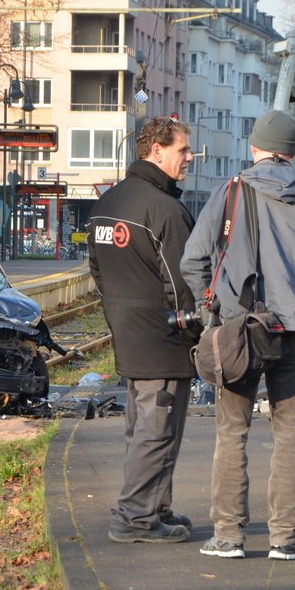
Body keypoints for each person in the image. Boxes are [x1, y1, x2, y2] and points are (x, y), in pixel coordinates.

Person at [180, 109, 295, 560]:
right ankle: (286, 539)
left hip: (239, 331)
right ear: (294, 152)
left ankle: (229, 536)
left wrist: (209, 308)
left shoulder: (231, 192)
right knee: (289, 433)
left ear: (254, 148)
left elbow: (193, 259)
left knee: (232, 432)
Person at [87, 115, 199, 544]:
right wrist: (195, 335)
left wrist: (121, 309)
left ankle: (155, 509)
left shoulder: (107, 203)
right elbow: (182, 283)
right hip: (163, 337)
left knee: (144, 426)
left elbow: (96, 268)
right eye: (182, 150)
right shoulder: (165, 210)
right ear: (157, 152)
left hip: (128, 330)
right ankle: (134, 519)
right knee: (156, 429)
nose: (188, 157)